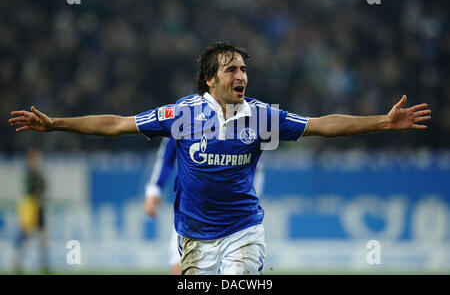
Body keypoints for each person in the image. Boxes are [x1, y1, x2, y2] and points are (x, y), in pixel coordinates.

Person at [9, 42, 431, 275]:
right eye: (231, 69)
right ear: (211, 79)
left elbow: (323, 124)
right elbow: (116, 124)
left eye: (243, 69)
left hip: (242, 231)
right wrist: (56, 124)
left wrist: (381, 121)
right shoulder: (182, 115)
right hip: (193, 238)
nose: (241, 75)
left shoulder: (262, 117)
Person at [144, 136, 265, 275]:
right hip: (192, 215)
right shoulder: (186, 118)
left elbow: (255, 168)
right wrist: (154, 188)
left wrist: (250, 207)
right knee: (179, 265)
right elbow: (168, 151)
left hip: (235, 218)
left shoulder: (244, 124)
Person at [13, 148, 49, 274]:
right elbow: (30, 190)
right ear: (30, 160)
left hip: (39, 206)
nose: (38, 161)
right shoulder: (29, 174)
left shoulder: (38, 174)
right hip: (30, 205)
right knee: (25, 235)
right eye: (35, 159)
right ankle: (17, 262)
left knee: (42, 236)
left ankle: (44, 264)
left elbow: (44, 188)